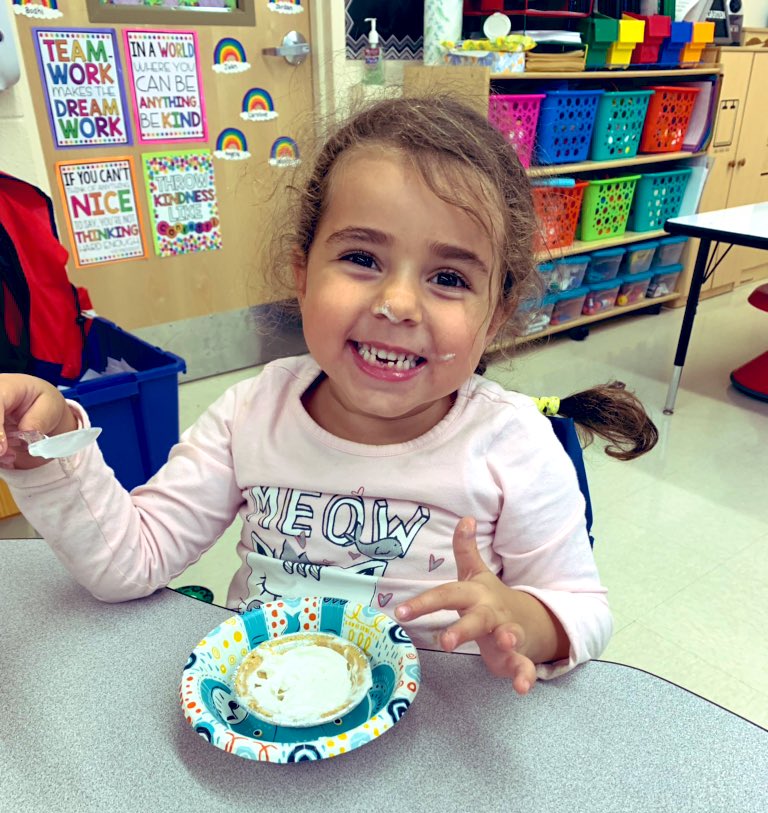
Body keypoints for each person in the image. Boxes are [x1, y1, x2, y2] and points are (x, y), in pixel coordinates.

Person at [0, 96, 657, 694]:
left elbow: (582, 609)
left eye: (449, 278)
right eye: (362, 259)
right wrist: (47, 450)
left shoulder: (512, 443)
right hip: (268, 718)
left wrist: (521, 619)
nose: (398, 303)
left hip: (438, 735)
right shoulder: (251, 414)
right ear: (303, 274)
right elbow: (128, 564)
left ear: (496, 313)